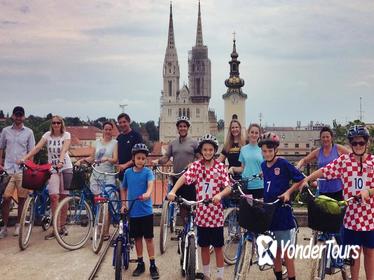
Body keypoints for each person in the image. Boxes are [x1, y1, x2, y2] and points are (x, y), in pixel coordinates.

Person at [302, 125, 374, 280]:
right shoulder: (344, 161)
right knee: (354, 255)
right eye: (354, 143)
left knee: (369, 253)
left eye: (361, 143)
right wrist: (307, 179)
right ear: (350, 144)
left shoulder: (373, 162)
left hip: (369, 217)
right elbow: (325, 171)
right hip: (351, 218)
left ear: (366, 143)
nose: (358, 146)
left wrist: (369, 191)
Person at [168, 134, 231, 280]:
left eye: (210, 150)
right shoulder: (196, 166)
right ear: (201, 151)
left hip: (215, 214)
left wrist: (220, 195)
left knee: (217, 247)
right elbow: (185, 177)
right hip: (202, 213)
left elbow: (228, 187)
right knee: (203, 246)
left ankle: (220, 276)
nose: (208, 152)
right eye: (205, 149)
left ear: (214, 151)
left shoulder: (220, 167)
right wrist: (173, 190)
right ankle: (206, 274)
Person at [258, 132, 304, 280]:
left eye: (270, 151)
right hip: (269, 211)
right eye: (264, 151)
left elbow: (300, 179)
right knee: (275, 250)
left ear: (275, 150)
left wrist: (288, 192)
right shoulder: (263, 165)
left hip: (282, 212)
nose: (267, 154)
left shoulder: (283, 163)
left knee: (286, 252)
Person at [22, 115, 72, 239]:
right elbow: (38, 147)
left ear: (62, 124)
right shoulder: (47, 135)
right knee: (54, 196)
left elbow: (64, 149)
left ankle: (62, 225)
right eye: (54, 123)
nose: (56, 125)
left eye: (58, 123)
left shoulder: (66, 135)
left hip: (65, 167)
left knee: (64, 197)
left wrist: (60, 161)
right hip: (53, 168)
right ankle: (55, 227)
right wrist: (25, 158)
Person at [120, 143, 159, 279]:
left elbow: (150, 185)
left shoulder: (148, 172)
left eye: (143, 158)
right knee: (137, 238)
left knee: (149, 239)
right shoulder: (128, 173)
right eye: (138, 158)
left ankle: (153, 264)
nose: (141, 160)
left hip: (146, 211)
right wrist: (124, 204)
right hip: (133, 211)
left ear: (145, 159)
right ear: (133, 158)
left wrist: (148, 193)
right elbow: (123, 188)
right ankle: (140, 262)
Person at [76, 122, 118, 240]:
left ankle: (106, 231)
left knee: (107, 203)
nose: (108, 131)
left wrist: (107, 159)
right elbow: (92, 158)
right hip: (96, 175)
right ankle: (98, 230)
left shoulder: (115, 143)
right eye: (106, 129)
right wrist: (82, 160)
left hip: (108, 175)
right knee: (98, 203)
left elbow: (115, 159)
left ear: (112, 131)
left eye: (110, 129)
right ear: (103, 130)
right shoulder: (97, 142)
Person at [0, 106, 35, 238]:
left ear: (23, 117)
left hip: (22, 170)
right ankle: (4, 227)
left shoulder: (29, 132)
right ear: (13, 116)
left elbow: (31, 152)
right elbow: (1, 147)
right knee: (6, 198)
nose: (19, 117)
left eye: (21, 115)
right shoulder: (5, 131)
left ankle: (18, 225)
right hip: (8, 169)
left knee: (22, 199)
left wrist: (30, 168)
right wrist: (1, 163)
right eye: (17, 115)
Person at [296, 126, 350, 200]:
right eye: (323, 137)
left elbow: (353, 156)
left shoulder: (338, 148)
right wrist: (297, 167)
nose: (325, 139)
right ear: (320, 139)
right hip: (323, 190)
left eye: (327, 137)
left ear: (331, 138)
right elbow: (304, 160)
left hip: (338, 189)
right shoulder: (318, 152)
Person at [228, 123, 264, 198]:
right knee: (247, 209)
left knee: (259, 209)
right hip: (246, 185)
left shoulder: (263, 149)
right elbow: (242, 168)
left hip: (259, 185)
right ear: (248, 133)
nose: (254, 135)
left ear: (259, 134)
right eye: (252, 132)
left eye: (256, 133)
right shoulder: (243, 149)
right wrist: (232, 168)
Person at [116, 113, 143, 181]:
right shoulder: (119, 138)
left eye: (124, 122)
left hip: (134, 173)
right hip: (122, 174)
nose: (122, 124)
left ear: (129, 122)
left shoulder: (136, 136)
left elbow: (139, 155)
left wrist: (125, 165)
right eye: (120, 123)